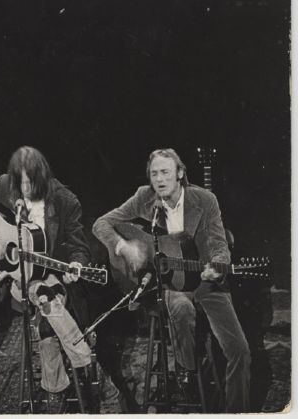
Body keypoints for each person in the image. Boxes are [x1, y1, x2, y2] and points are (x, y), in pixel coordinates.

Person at [92, 148, 251, 413]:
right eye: (154, 173)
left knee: (239, 351)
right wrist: (124, 247)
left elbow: (220, 245)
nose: (159, 179)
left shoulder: (205, 200)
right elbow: (101, 224)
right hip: (167, 285)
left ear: (179, 173)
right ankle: (185, 371)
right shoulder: (144, 198)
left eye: (165, 172)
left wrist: (218, 268)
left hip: (207, 282)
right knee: (180, 306)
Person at [0, 145, 103, 413]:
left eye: (30, 182)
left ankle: (55, 390)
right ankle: (82, 357)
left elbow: (79, 247)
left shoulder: (64, 200)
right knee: (42, 292)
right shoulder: (5, 185)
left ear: (43, 178)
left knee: (47, 304)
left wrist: (77, 265)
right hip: (17, 282)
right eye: (19, 181)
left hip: (56, 279)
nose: (23, 188)